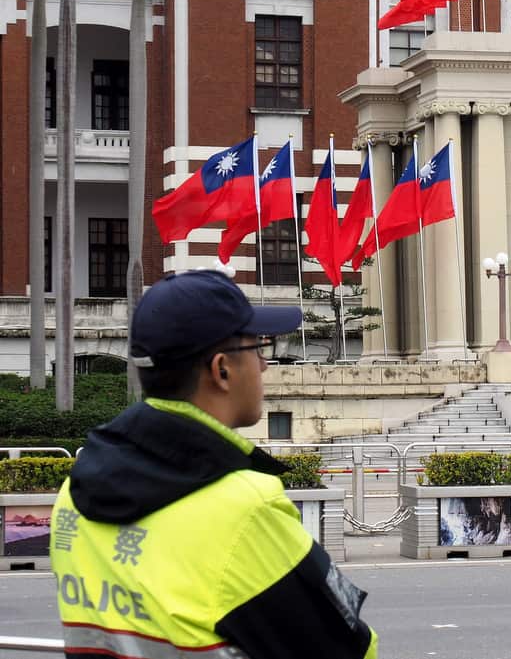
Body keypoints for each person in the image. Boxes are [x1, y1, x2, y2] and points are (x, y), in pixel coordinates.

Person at [50, 269, 378, 659]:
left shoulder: (74, 492)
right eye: (258, 347)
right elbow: (345, 649)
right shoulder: (245, 507)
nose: (265, 366)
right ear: (222, 369)